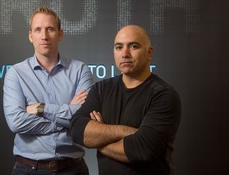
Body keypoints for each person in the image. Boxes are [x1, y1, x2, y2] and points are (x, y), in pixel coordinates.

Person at [71, 25, 182, 175]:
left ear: (149, 53)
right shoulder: (101, 89)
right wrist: (126, 131)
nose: (125, 54)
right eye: (118, 47)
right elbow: (77, 130)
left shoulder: (164, 95)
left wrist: (98, 138)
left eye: (134, 46)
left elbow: (142, 149)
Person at [3, 6, 94, 175]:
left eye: (50, 29)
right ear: (31, 36)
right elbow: (16, 122)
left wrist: (42, 108)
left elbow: (84, 117)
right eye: (38, 30)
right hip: (29, 169)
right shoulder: (16, 73)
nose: (44, 36)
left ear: (60, 34)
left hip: (73, 169)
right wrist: (65, 121)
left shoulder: (80, 70)